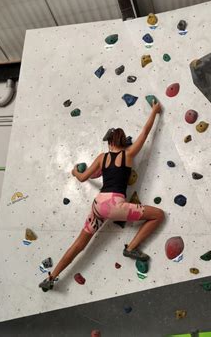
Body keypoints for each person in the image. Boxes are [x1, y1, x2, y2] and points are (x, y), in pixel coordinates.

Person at [39, 101, 165, 292]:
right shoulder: (129, 154)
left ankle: (52, 276)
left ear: (109, 142)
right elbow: (146, 133)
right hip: (116, 205)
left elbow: (82, 177)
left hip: (99, 205)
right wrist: (155, 111)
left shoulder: (102, 158)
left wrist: (74, 171)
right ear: (122, 142)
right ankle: (130, 248)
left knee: (80, 244)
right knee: (158, 215)